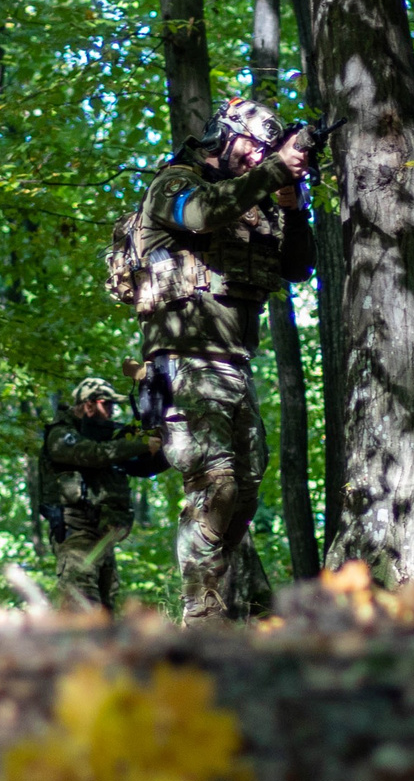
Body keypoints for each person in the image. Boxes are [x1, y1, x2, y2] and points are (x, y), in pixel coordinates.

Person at [134, 97, 321, 622]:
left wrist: (292, 202)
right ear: (225, 133)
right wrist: (276, 169)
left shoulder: (257, 200)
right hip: (184, 360)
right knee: (214, 483)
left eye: (268, 150)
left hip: (233, 366)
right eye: (254, 146)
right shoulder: (175, 184)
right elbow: (203, 214)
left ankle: (217, 608)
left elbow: (299, 265)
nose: (257, 157)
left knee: (245, 488)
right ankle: (201, 621)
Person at [35, 376, 163, 611]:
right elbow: (93, 454)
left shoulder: (106, 438)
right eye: (108, 404)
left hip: (103, 532)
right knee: (80, 596)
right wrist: (140, 443)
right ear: (89, 405)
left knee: (106, 605)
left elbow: (138, 466)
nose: (112, 412)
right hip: (75, 529)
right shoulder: (62, 435)